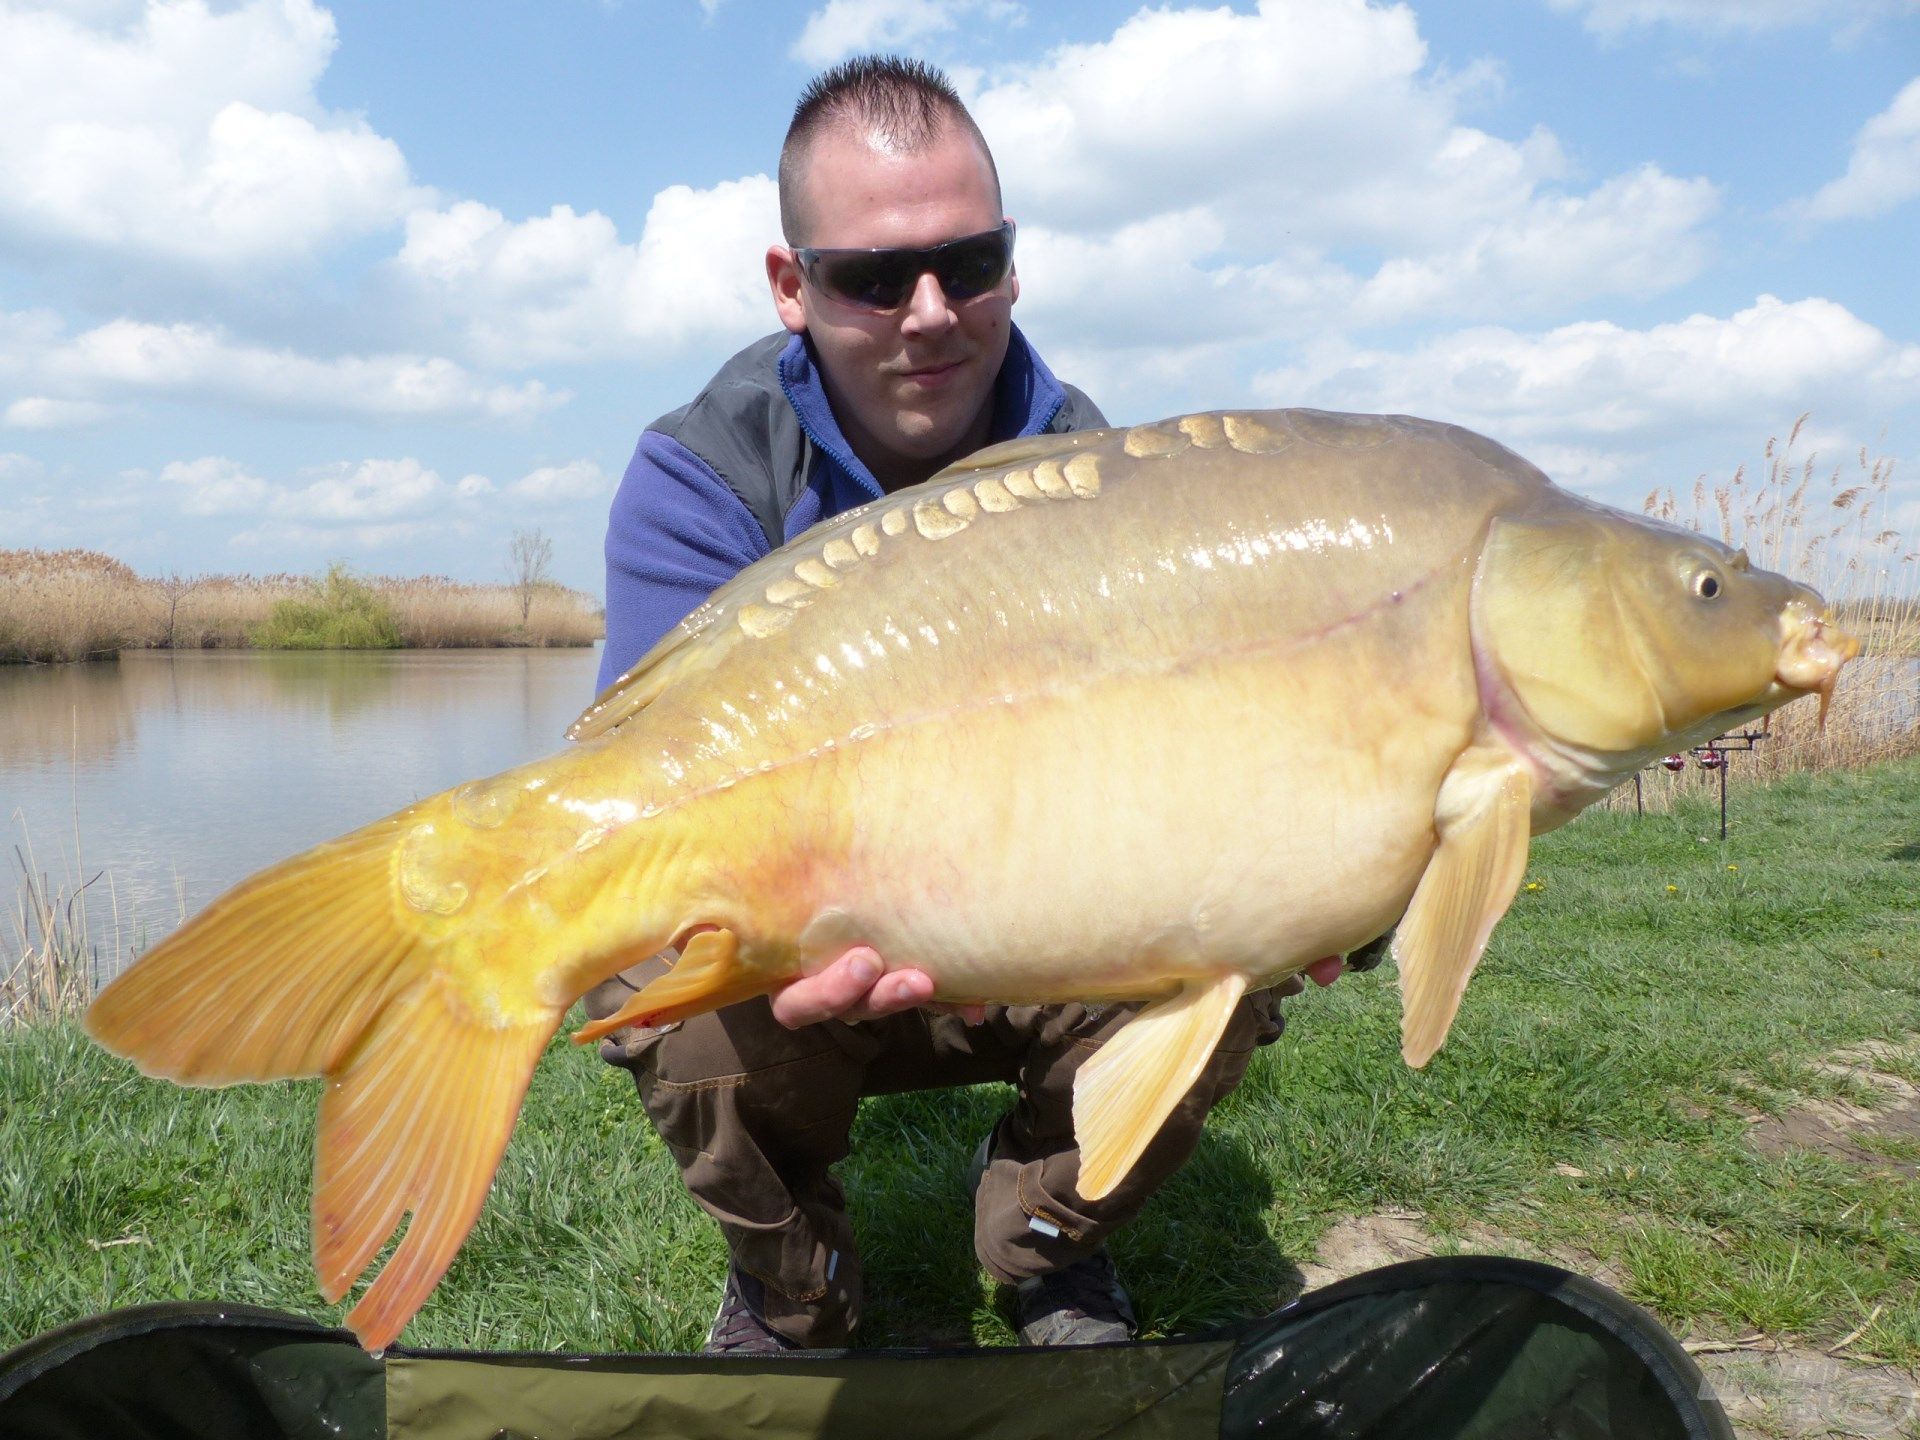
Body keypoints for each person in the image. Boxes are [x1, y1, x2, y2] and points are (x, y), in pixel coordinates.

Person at [586, 54, 1342, 1355]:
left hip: (1040, 926)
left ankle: (1044, 1244)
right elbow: (648, 794)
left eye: (970, 262)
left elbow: (1170, 765)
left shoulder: (1103, 473)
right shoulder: (703, 474)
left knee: (1241, 951)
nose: (930, 311)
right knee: (654, 966)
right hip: (811, 931)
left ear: (1013, 263)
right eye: (875, 277)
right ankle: (793, 1286)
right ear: (792, 286)